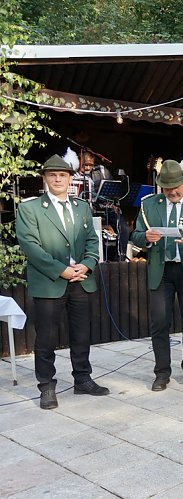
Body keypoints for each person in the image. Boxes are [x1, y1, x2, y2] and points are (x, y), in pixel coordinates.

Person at [15, 150, 108, 409]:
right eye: (52, 175)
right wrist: (61, 270)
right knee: (46, 336)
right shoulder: (30, 208)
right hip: (49, 282)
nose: (58, 179)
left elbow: (92, 240)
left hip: (81, 279)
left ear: (70, 179)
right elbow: (30, 246)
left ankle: (83, 379)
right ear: (45, 178)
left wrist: (87, 265)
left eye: (62, 175)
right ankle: (46, 385)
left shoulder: (81, 207)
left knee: (81, 333)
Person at [130, 156, 183, 391]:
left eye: (175, 188)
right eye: (166, 189)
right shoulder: (149, 204)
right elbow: (135, 235)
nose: (171, 193)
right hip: (161, 269)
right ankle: (162, 372)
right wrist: (145, 238)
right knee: (159, 322)